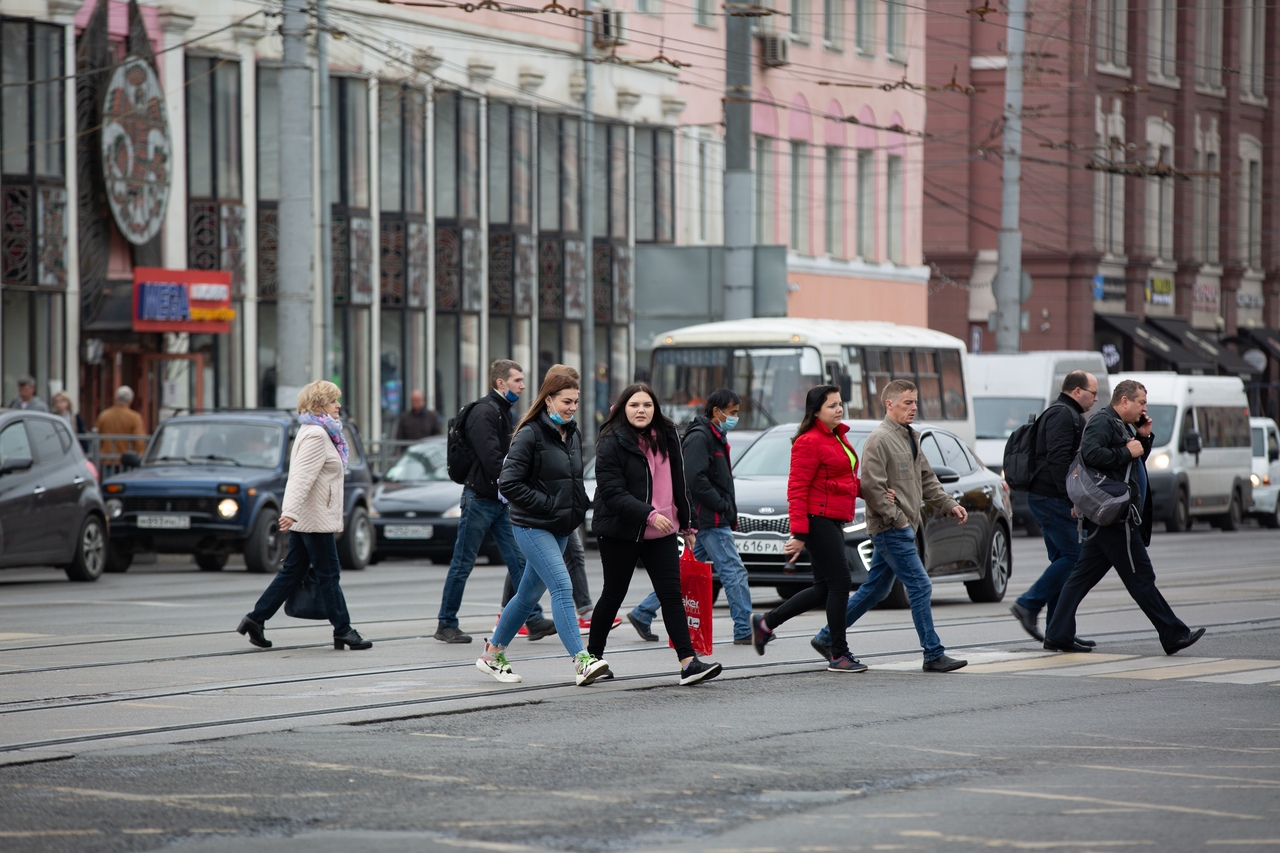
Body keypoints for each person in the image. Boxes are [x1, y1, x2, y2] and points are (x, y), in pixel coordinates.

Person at [809, 379, 970, 673]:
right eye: (907, 402)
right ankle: (933, 653)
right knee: (920, 586)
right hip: (891, 528)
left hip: (903, 525)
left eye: (915, 402)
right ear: (889, 404)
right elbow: (872, 487)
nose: (913, 408)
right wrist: (897, 519)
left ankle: (826, 637)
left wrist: (949, 504)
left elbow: (927, 479)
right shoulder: (879, 439)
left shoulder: (911, 436)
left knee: (875, 590)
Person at [1043, 380, 1206, 655]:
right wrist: (1125, 451)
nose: (1144, 407)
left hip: (1110, 516)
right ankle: (1173, 633)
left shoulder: (1120, 425)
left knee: (1080, 578)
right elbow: (1091, 454)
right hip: (1116, 518)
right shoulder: (1102, 422)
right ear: (1124, 402)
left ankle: (1057, 633)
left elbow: (1133, 463)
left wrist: (1142, 438)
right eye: (1141, 402)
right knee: (1141, 577)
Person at [476, 369, 608, 686]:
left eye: (576, 401)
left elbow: (571, 480)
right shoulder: (530, 434)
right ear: (548, 399)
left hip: (561, 526)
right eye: (566, 401)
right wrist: (548, 504)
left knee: (526, 596)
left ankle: (491, 655)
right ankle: (582, 660)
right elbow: (508, 483)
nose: (572, 407)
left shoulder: (572, 434)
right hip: (532, 526)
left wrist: (581, 505)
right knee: (562, 588)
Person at [588, 383, 722, 686]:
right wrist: (649, 514)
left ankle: (688, 663)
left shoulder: (668, 435)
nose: (641, 411)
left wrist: (688, 524)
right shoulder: (611, 441)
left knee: (671, 595)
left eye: (647, 405)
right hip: (621, 531)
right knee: (613, 594)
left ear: (655, 409)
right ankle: (593, 658)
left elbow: (679, 482)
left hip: (662, 532)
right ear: (624, 408)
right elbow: (611, 492)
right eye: (634, 405)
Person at [237, 380, 372, 651]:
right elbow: (300, 478)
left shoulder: (320, 431)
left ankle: (255, 619)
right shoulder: (316, 435)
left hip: (309, 516)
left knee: (294, 570)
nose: (339, 406)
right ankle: (343, 630)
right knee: (329, 573)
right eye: (334, 401)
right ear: (318, 404)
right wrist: (290, 512)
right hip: (314, 518)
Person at [435, 360, 554, 644]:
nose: (523, 386)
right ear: (501, 383)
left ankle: (533, 619)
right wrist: (518, 482)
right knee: (463, 562)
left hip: (499, 500)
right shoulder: (485, 411)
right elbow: (493, 458)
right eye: (517, 381)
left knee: (520, 561)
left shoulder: (502, 411)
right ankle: (446, 623)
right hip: (479, 498)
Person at [748, 385, 863, 672]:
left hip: (831, 518)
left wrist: (873, 492)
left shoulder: (838, 437)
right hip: (817, 520)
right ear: (816, 412)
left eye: (840, 404)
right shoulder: (809, 441)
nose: (839, 409)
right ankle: (839, 653)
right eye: (832, 406)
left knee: (824, 589)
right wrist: (799, 535)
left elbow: (843, 481)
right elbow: (797, 490)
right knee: (840, 584)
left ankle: (765, 623)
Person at [628, 388, 753, 644]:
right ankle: (745, 629)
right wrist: (721, 505)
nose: (735, 417)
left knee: (684, 573)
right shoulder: (701, 437)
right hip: (708, 518)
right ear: (717, 412)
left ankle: (643, 612)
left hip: (709, 517)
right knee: (734, 571)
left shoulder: (715, 435)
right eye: (733, 413)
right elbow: (694, 480)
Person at [1009, 371, 1100, 645]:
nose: (1095, 399)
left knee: (1064, 561)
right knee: (1075, 557)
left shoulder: (1068, 414)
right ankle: (1028, 604)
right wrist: (1072, 499)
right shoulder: (1062, 415)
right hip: (1051, 498)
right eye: (1092, 393)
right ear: (1076, 390)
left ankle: (1058, 633)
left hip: (1050, 497)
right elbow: (1059, 460)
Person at [95, 385, 147, 457]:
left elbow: (96, 437)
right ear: (130, 400)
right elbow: (139, 441)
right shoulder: (135, 417)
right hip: (126, 459)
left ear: (115, 398)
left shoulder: (104, 415)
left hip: (107, 458)